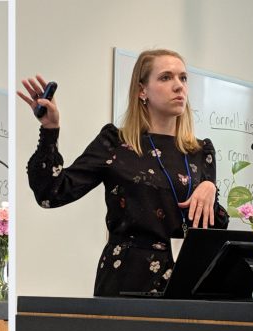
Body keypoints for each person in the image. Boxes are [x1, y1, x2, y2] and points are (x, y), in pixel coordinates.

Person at [18, 49, 228, 296]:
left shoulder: (200, 151)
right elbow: (51, 193)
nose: (178, 86)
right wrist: (50, 129)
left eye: (183, 78)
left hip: (186, 282)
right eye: (166, 78)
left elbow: (212, 228)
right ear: (142, 90)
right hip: (128, 277)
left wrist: (210, 189)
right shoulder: (115, 143)